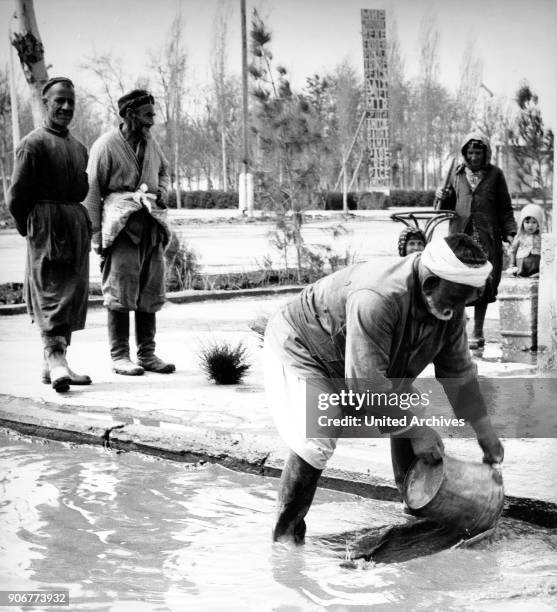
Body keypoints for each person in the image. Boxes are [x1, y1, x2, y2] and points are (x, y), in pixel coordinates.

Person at [264, 233, 504, 545]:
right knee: (317, 436)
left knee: (409, 407)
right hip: (307, 346)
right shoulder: (377, 297)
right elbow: (366, 386)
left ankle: (418, 506)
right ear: (430, 284)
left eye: (465, 301)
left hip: (370, 362)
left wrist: (483, 428)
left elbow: (458, 372)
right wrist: (416, 430)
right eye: (456, 299)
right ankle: (285, 539)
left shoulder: (449, 306)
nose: (459, 309)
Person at [7, 77, 92, 393]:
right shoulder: (33, 144)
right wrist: (31, 228)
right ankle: (54, 358)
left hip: (73, 227)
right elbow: (16, 197)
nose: (66, 107)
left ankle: (57, 363)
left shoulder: (78, 147)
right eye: (60, 101)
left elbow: (82, 189)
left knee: (71, 294)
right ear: (46, 103)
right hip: (46, 227)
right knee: (51, 293)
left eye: (71, 101)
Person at [84, 89, 175, 376]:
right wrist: (97, 236)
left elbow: (165, 171)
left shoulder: (151, 144)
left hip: (151, 225)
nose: (152, 120)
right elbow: (92, 191)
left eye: (152, 114)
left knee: (150, 289)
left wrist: (162, 190)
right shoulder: (106, 145)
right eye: (147, 114)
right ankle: (120, 356)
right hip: (120, 227)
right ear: (129, 114)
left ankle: (147, 354)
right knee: (120, 291)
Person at [435, 133, 517, 349]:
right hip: (460, 236)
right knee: (457, 279)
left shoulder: (496, 175)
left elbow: (505, 207)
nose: (474, 156)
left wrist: (510, 233)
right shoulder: (456, 174)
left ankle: (478, 331)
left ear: (486, 153)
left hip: (486, 236)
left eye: (478, 152)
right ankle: (458, 328)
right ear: (464, 153)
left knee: (484, 280)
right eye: (470, 152)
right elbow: (446, 207)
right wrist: (443, 196)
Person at [508, 203, 544, 277]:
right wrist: (512, 264)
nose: (530, 225)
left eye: (534, 222)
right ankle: (520, 273)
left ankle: (537, 274)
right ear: (522, 223)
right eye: (527, 222)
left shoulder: (541, 237)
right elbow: (513, 251)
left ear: (538, 224)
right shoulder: (519, 236)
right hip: (522, 264)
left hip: (536, 265)